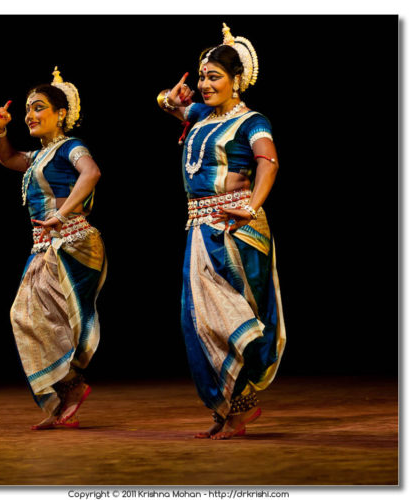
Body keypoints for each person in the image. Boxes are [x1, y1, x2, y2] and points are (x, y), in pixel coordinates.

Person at [157, 24, 286, 439]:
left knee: (230, 319)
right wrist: (169, 97)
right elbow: (166, 104)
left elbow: (269, 163)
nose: (204, 84)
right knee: (197, 321)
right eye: (202, 77)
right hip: (199, 229)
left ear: (237, 81)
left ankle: (238, 407)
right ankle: (229, 407)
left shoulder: (253, 121)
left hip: (234, 230)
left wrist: (251, 205)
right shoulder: (198, 115)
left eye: (215, 77)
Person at [0, 67, 107, 430]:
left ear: (61, 114)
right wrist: (0, 130)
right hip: (45, 246)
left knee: (54, 320)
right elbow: (8, 159)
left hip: (73, 242)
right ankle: (67, 390)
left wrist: (62, 213)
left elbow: (91, 173)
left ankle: (71, 389)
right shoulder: (36, 157)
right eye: (27, 109)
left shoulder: (72, 147)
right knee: (26, 317)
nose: (30, 115)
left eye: (39, 107)